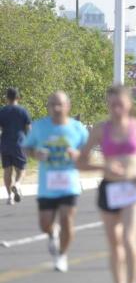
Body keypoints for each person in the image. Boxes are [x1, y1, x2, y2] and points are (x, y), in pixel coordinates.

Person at [77, 85, 136, 283]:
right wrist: (104, 165)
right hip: (110, 187)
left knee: (130, 239)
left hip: (133, 187)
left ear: (129, 104)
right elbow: (81, 162)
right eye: (112, 104)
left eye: (120, 104)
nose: (116, 108)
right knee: (115, 244)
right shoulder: (101, 129)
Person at [22, 92, 88, 272]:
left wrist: (78, 154)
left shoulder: (77, 128)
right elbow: (26, 147)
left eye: (60, 104)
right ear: (48, 107)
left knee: (67, 219)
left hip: (69, 182)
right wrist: (36, 154)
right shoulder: (39, 127)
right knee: (44, 224)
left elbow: (88, 151)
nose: (56, 108)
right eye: (52, 104)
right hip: (47, 185)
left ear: (68, 106)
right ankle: (52, 233)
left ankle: (62, 255)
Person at [0, 87, 31, 205]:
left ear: (7, 98)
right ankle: (17, 185)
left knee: (7, 171)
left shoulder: (2, 111)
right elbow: (29, 129)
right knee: (21, 170)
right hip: (20, 144)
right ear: (18, 97)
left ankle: (9, 197)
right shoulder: (23, 111)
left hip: (5, 144)